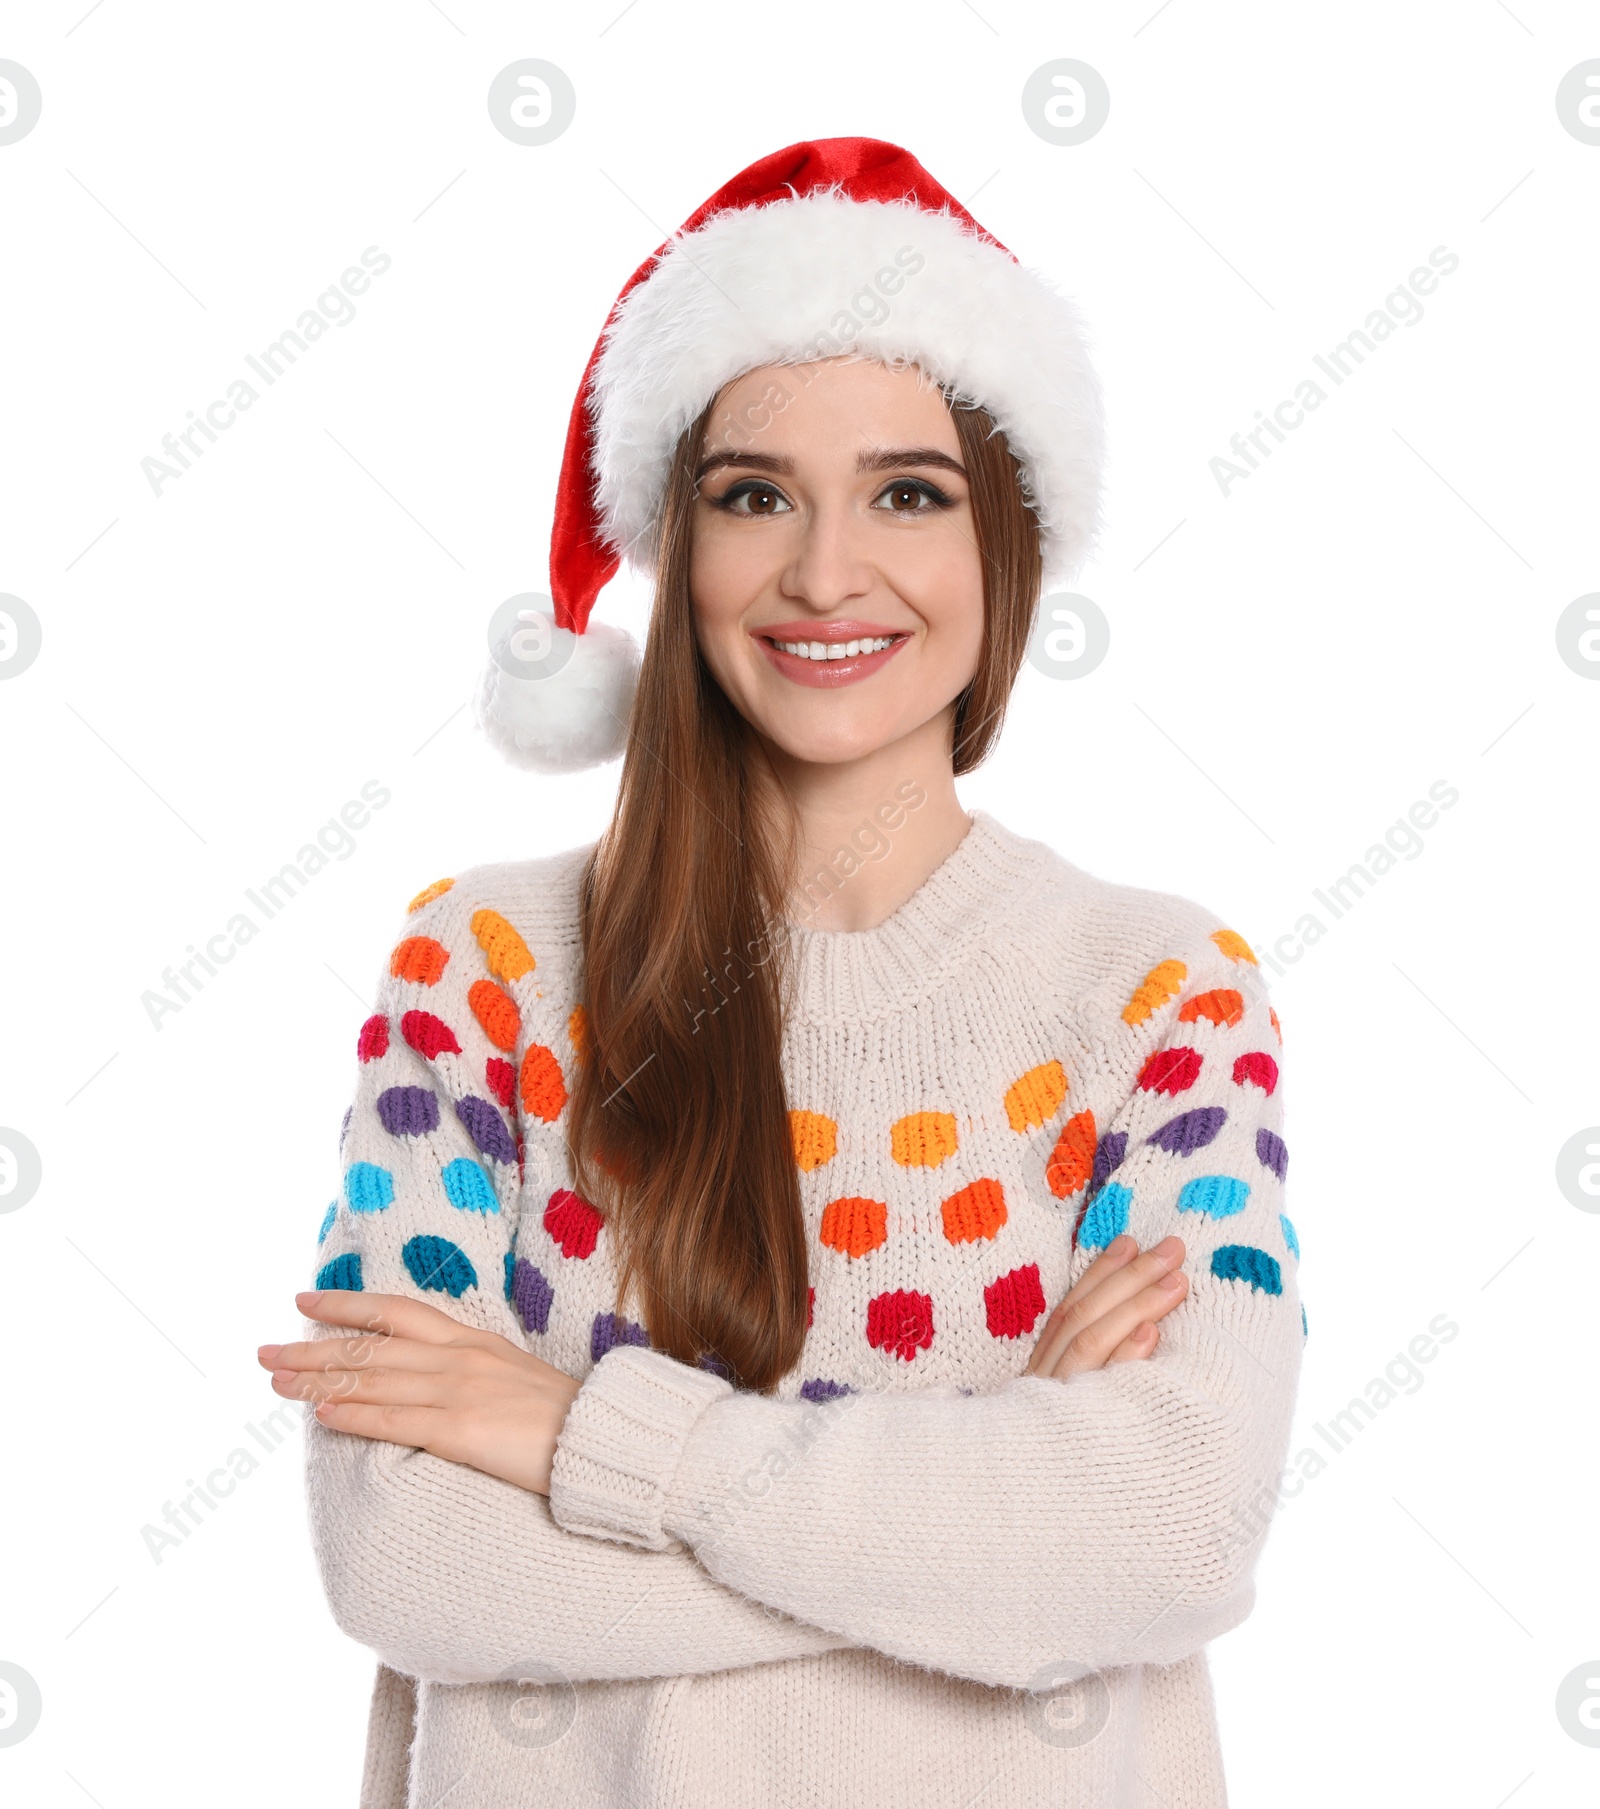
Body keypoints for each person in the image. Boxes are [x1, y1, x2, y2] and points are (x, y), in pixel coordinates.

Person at [259, 138, 1304, 1809]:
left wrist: (574, 1434)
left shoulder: (1162, 996)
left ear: (1003, 548)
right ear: (678, 545)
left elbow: (1172, 1529)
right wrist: (983, 1532)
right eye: (756, 494)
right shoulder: (483, 969)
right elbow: (409, 1556)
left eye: (909, 490)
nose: (826, 570)